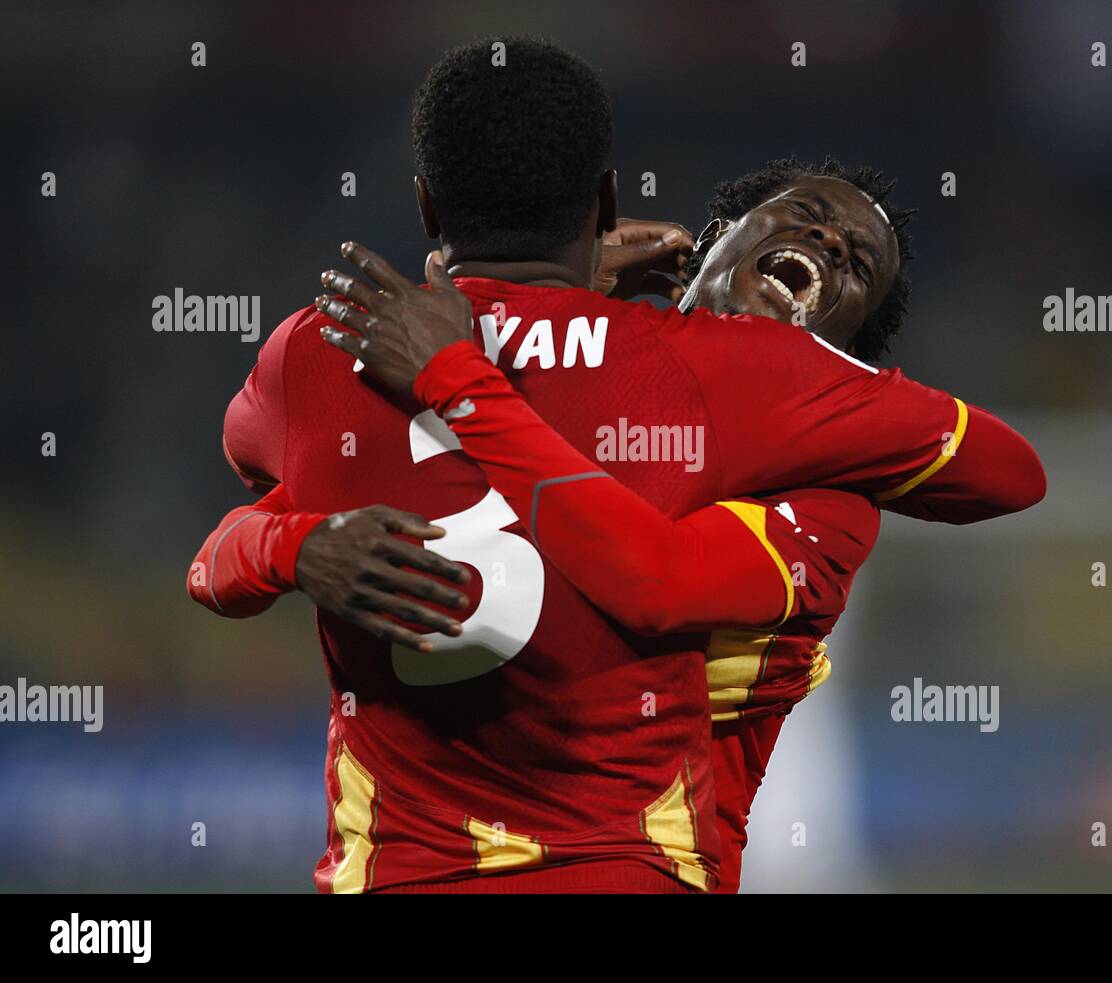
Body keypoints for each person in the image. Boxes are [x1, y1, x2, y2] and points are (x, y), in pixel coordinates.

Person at [195, 38, 1044, 894]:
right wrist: (297, 544)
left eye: (858, 263)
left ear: (424, 205)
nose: (826, 241)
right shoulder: (702, 373)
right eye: (797, 218)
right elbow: (1010, 474)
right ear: (669, 227)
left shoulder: (329, 346)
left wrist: (464, 358)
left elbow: (653, 577)